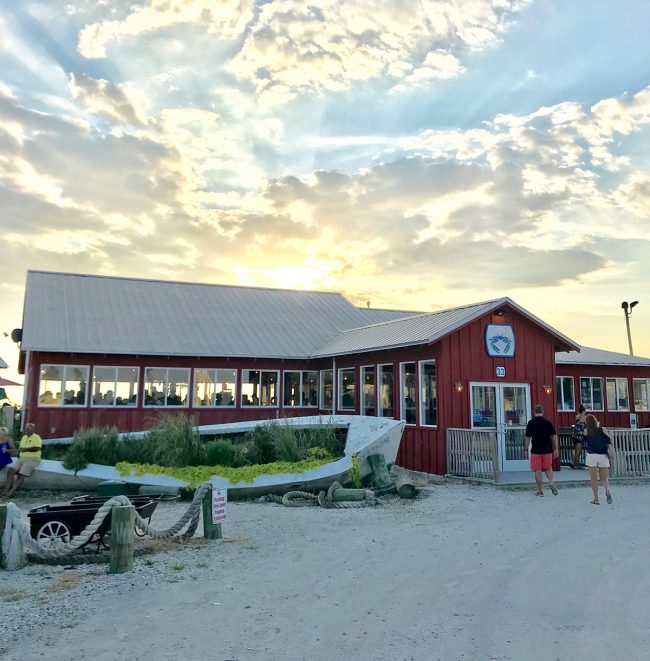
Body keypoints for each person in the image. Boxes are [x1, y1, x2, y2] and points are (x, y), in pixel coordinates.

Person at [524, 404, 559, 496]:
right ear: (542, 412)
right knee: (548, 468)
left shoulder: (531, 423)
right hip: (547, 450)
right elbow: (554, 436)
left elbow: (527, 437)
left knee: (537, 470)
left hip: (536, 450)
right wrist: (556, 449)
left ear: (534, 412)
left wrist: (525, 449)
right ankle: (551, 482)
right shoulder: (548, 423)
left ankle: (540, 491)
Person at [2, 422, 42, 498]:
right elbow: (20, 449)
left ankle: (11, 493)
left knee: (22, 474)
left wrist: (26, 449)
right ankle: (6, 490)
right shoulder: (24, 437)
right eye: (26, 428)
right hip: (22, 458)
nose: (26, 429)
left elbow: (38, 448)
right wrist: (19, 456)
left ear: (33, 429)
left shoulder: (36, 437)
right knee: (10, 471)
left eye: (28, 428)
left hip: (32, 459)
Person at [584, 414, 613, 505]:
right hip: (603, 455)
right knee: (604, 478)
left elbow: (584, 441)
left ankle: (596, 499)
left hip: (592, 455)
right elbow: (608, 442)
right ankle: (607, 491)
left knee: (593, 479)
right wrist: (612, 452)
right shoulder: (603, 430)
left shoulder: (586, 431)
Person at [570, 404, 588, 469]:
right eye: (585, 411)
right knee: (578, 451)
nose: (585, 412)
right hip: (579, 436)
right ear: (583, 411)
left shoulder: (577, 417)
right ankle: (576, 465)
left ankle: (574, 463)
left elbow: (576, 425)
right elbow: (586, 426)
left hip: (574, 435)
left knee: (576, 450)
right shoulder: (585, 418)